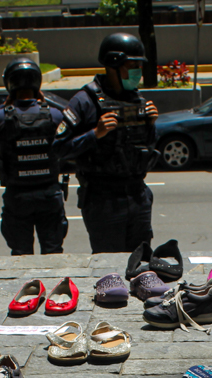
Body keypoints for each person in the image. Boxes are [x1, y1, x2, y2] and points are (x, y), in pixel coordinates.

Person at [55, 32, 159, 253]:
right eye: (132, 65)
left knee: (141, 263)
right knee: (109, 268)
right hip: (103, 199)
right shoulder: (84, 101)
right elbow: (59, 148)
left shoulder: (137, 100)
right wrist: (95, 134)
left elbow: (146, 148)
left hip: (137, 195)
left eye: (139, 65)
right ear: (114, 64)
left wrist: (151, 124)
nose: (137, 72)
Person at [0, 58, 68, 255]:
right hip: (49, 194)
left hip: (17, 196)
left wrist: (3, 109)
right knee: (53, 252)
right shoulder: (54, 114)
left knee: (20, 253)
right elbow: (67, 143)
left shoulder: (0, 116)